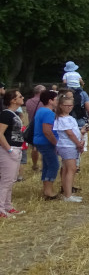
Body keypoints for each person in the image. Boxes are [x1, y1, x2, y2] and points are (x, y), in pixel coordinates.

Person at [0, 90, 28, 218]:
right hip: (8, 150)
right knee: (6, 180)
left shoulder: (14, 114)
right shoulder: (6, 114)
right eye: (20, 96)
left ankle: (7, 206)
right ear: (13, 100)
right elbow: (0, 133)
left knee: (11, 179)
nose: (22, 98)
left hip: (16, 148)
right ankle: (1, 209)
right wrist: (9, 149)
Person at [53, 91, 85, 202]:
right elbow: (70, 133)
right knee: (71, 169)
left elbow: (74, 132)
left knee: (67, 169)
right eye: (66, 105)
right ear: (61, 106)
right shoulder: (62, 119)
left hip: (70, 145)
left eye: (70, 105)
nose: (69, 107)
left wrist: (81, 137)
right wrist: (78, 143)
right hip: (67, 146)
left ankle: (67, 192)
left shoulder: (69, 117)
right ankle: (68, 195)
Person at [32, 90, 61, 200]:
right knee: (53, 165)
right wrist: (56, 143)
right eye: (56, 99)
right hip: (46, 143)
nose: (57, 101)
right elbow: (47, 131)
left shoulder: (41, 111)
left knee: (47, 165)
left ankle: (46, 189)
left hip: (40, 141)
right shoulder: (48, 113)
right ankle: (49, 191)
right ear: (50, 101)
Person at [24, 84, 45, 172]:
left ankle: (35, 165)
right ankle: (44, 166)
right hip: (42, 125)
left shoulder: (28, 102)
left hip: (32, 125)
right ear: (41, 92)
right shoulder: (44, 102)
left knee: (34, 147)